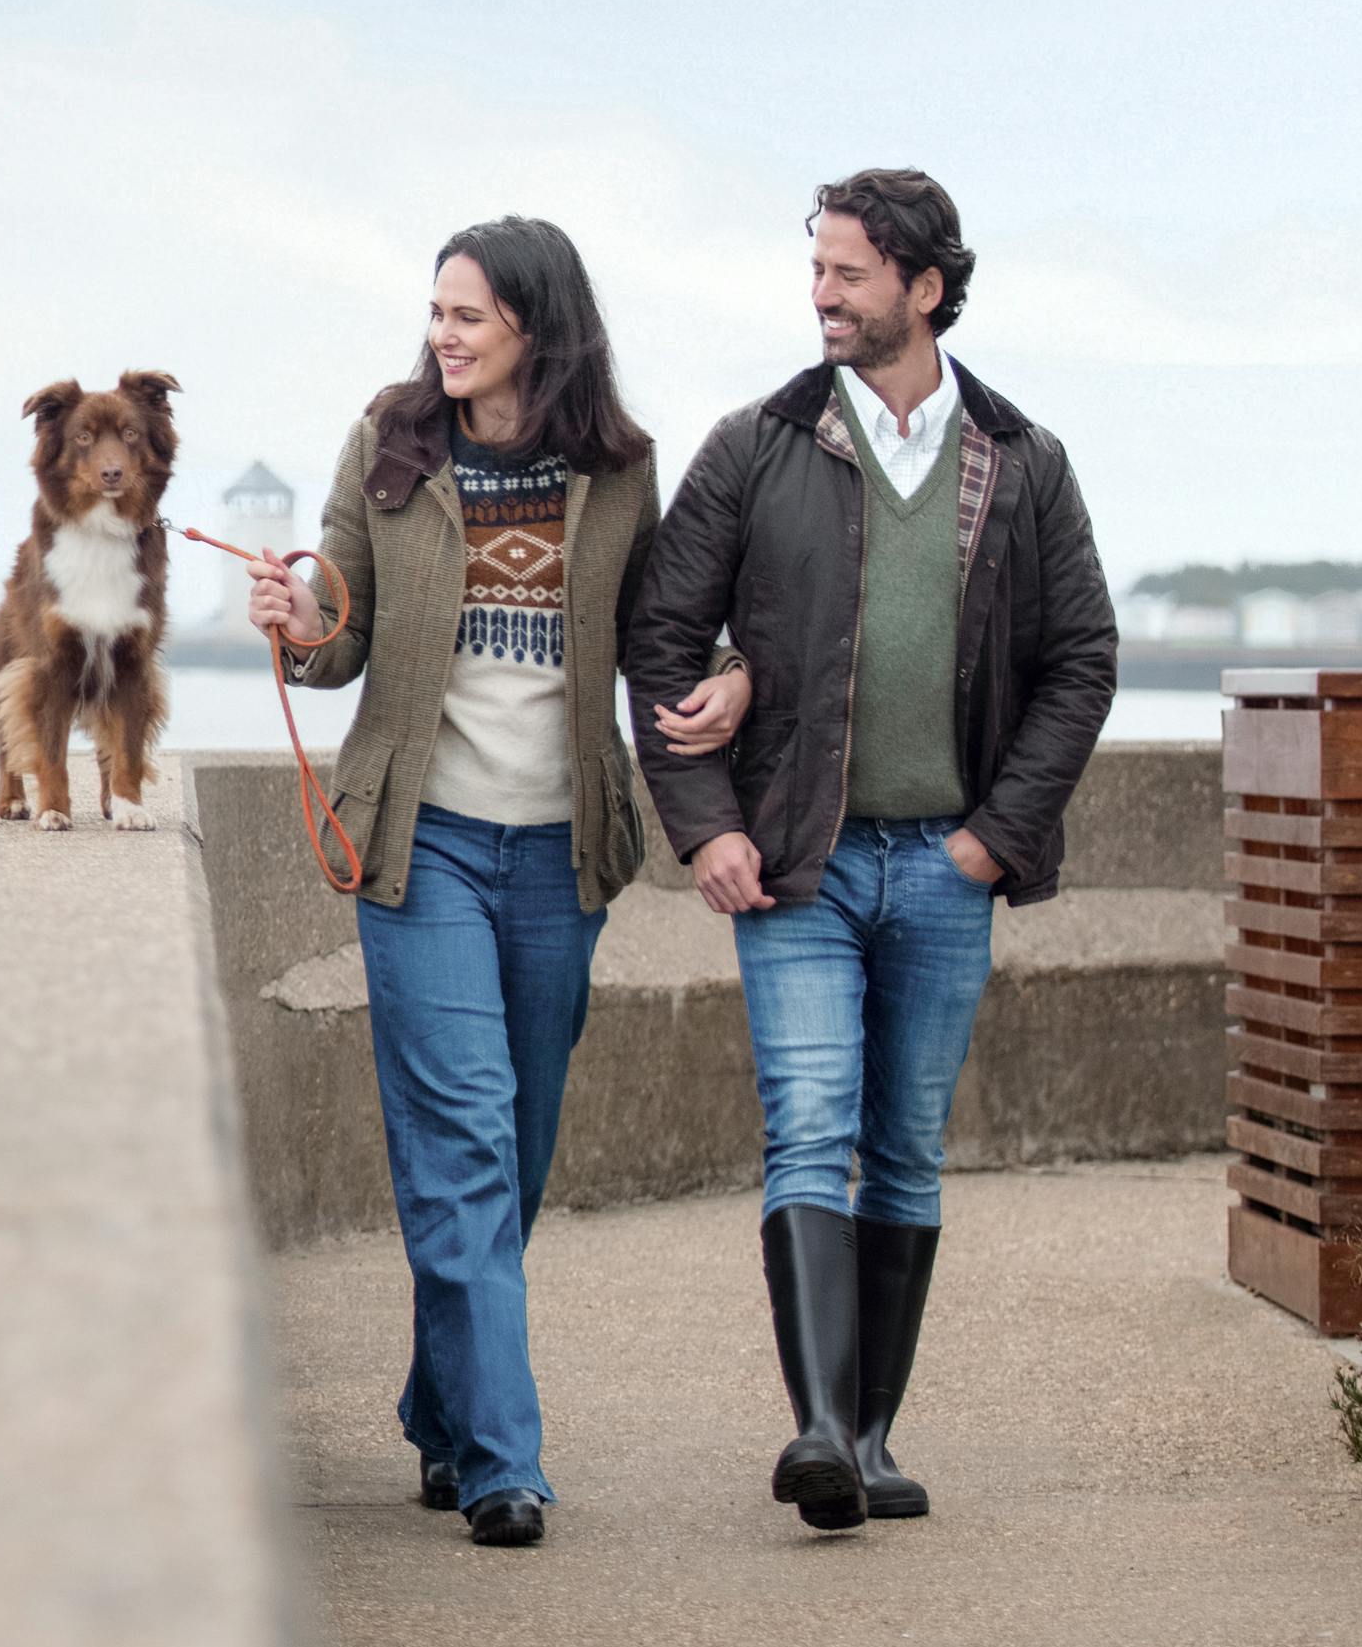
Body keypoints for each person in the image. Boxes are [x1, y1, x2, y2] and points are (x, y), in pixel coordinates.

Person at [623, 169, 1116, 1530]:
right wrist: (707, 821)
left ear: (926, 287)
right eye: (819, 273)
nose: (824, 296)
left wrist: (992, 840)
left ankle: (877, 1432)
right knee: (809, 1129)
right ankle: (821, 1427)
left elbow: (1083, 659)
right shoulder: (758, 445)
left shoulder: (1023, 462)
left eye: (848, 273)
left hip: (946, 866)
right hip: (799, 864)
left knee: (903, 1149)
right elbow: (662, 635)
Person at [252, 217, 749, 1547]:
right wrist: (307, 625)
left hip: (558, 854)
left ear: (539, 323)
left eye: (469, 313)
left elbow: (671, 630)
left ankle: (440, 1400)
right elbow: (340, 622)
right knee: (463, 1136)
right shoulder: (389, 443)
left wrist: (738, 670)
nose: (444, 334)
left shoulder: (622, 471)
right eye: (436, 312)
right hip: (420, 847)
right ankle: (501, 1462)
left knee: (514, 1153)